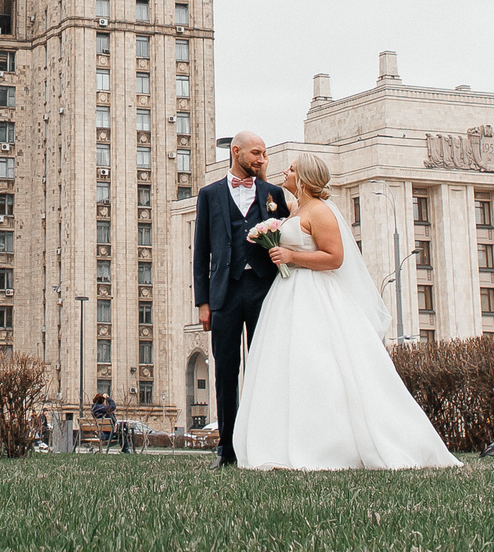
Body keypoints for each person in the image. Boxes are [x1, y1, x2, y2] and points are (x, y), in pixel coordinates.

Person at [233, 152, 461, 471]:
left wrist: (291, 257)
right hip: (289, 294)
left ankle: (333, 446)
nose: (286, 172)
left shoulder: (321, 212)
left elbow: (334, 258)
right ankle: (285, 442)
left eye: (292, 169)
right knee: (288, 365)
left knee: (322, 364)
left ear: (304, 178)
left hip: (315, 293)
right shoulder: (297, 208)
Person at [192, 130, 292, 467]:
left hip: (264, 290)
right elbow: (201, 252)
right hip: (225, 293)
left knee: (264, 368)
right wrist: (203, 303)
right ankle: (228, 449)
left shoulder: (273, 193)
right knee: (225, 371)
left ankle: (264, 445)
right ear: (236, 152)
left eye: (264, 154)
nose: (262, 160)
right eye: (256, 154)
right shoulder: (210, 194)